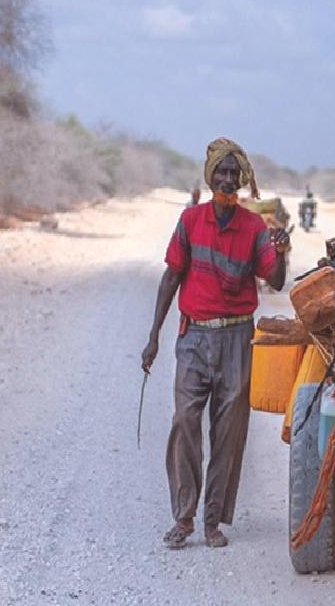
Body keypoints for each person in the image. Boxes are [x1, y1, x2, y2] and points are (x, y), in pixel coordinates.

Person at [141, 137, 291, 550]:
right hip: (193, 337)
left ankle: (212, 522)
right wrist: (154, 335)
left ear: (241, 181)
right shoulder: (190, 221)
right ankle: (183, 517)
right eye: (220, 173)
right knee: (184, 422)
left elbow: (274, 281)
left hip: (237, 337)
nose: (227, 180)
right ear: (210, 178)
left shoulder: (255, 228)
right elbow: (171, 277)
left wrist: (280, 254)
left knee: (229, 431)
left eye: (233, 174)